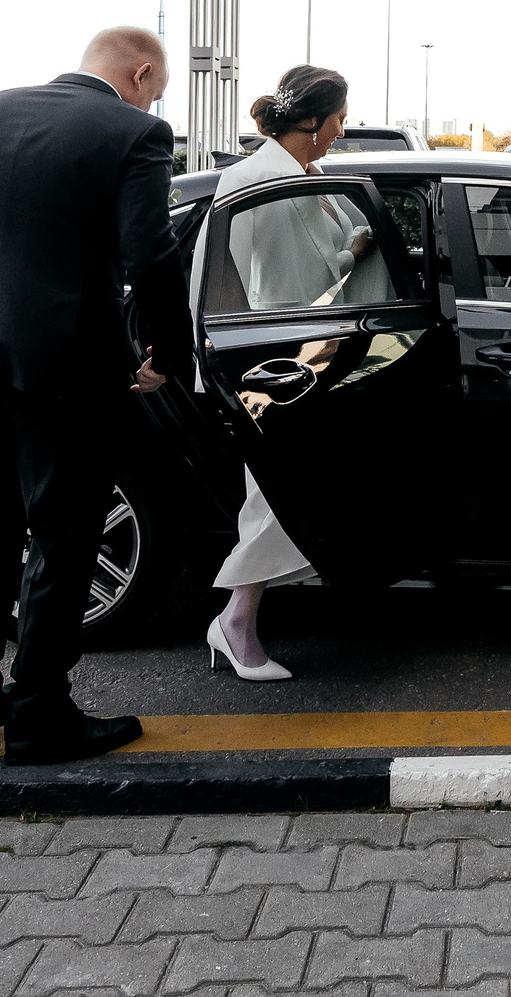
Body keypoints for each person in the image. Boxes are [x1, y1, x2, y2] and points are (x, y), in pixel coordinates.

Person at [0, 27, 192, 765]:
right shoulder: (136, 132)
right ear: (141, 70)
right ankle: (39, 717)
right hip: (66, 359)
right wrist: (168, 351)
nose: (156, 101)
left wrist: (2, 257)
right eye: (156, 87)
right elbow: (149, 252)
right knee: (63, 532)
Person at [195, 65, 369, 683]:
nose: (343, 132)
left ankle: (238, 618)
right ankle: (236, 621)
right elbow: (302, 287)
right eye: (341, 119)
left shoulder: (295, 174)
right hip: (279, 365)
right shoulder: (266, 185)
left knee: (277, 494)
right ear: (314, 121)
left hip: (287, 362)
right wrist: (357, 250)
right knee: (278, 496)